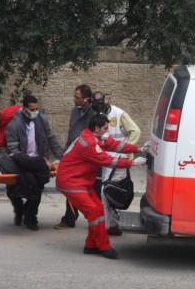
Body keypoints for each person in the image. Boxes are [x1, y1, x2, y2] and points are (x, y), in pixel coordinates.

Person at [55, 114, 148, 259]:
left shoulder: (95, 136)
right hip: (70, 181)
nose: (108, 131)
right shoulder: (89, 143)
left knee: (98, 210)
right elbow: (108, 161)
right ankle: (104, 247)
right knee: (93, 212)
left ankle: (91, 246)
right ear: (97, 128)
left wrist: (139, 149)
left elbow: (115, 145)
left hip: (82, 180)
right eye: (105, 128)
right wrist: (133, 163)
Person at [5, 95, 63, 230]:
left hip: (39, 160)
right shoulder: (14, 124)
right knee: (13, 190)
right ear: (25, 109)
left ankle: (31, 218)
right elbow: (13, 148)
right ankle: (19, 210)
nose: (35, 111)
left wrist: (60, 156)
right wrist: (24, 161)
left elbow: (50, 138)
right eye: (32, 109)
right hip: (21, 161)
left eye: (37, 108)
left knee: (37, 189)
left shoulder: (41, 119)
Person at [91, 91, 141, 236]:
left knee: (109, 191)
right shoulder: (97, 115)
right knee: (108, 191)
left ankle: (108, 225)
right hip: (105, 158)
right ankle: (111, 225)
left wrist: (126, 151)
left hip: (118, 159)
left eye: (102, 103)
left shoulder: (119, 114)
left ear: (107, 100)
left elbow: (135, 131)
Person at [54, 84, 97, 229]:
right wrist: (63, 155)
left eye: (77, 97)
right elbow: (71, 133)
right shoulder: (75, 112)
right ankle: (69, 218)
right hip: (73, 156)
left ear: (86, 99)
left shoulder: (95, 113)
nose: (74, 99)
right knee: (72, 187)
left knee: (92, 188)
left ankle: (101, 219)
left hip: (88, 157)